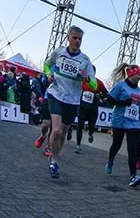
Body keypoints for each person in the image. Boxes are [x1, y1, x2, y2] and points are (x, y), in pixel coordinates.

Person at [43, 25, 97, 179]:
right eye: (74, 38)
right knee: (57, 130)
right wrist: (49, 74)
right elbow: (47, 64)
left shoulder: (85, 60)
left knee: (64, 133)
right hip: (56, 94)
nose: (77, 41)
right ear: (68, 38)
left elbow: (94, 84)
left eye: (80, 39)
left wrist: (87, 78)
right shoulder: (59, 52)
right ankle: (53, 160)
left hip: (72, 100)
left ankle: (55, 155)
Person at [105, 63, 140, 188]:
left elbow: (136, 105)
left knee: (132, 149)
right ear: (131, 74)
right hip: (120, 121)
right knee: (116, 144)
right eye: (138, 75)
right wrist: (121, 102)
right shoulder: (120, 86)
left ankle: (133, 175)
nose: (139, 78)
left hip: (134, 123)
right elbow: (109, 100)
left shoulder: (139, 90)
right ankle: (110, 161)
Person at [71, 68, 107, 154]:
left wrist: (100, 96)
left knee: (91, 126)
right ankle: (78, 145)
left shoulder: (99, 82)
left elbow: (106, 94)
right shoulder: (82, 81)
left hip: (93, 109)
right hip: (83, 107)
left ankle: (91, 133)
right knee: (80, 126)